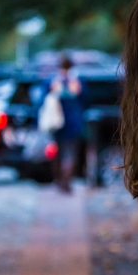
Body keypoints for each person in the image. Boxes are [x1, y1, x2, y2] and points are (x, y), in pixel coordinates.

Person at [49, 56, 84, 193]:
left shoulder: (55, 80)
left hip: (57, 122)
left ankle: (58, 181)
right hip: (73, 122)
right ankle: (66, 182)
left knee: (57, 153)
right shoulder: (76, 80)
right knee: (70, 154)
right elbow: (83, 99)